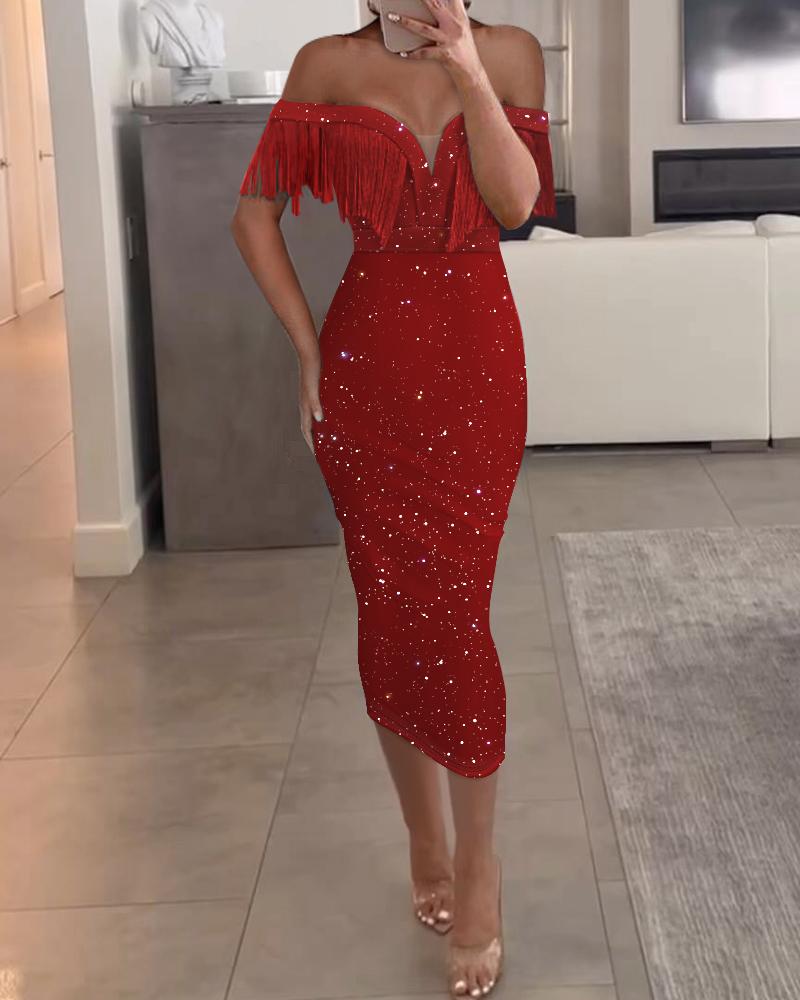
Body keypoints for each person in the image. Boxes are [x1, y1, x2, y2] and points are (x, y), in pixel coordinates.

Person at [230, 2, 554, 995]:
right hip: (366, 373)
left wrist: (465, 71)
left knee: (455, 616)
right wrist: (307, 349)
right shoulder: (325, 65)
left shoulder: (510, 54)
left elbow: (517, 206)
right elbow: (252, 215)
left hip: (476, 368)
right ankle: (424, 839)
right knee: (392, 616)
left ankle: (478, 864)